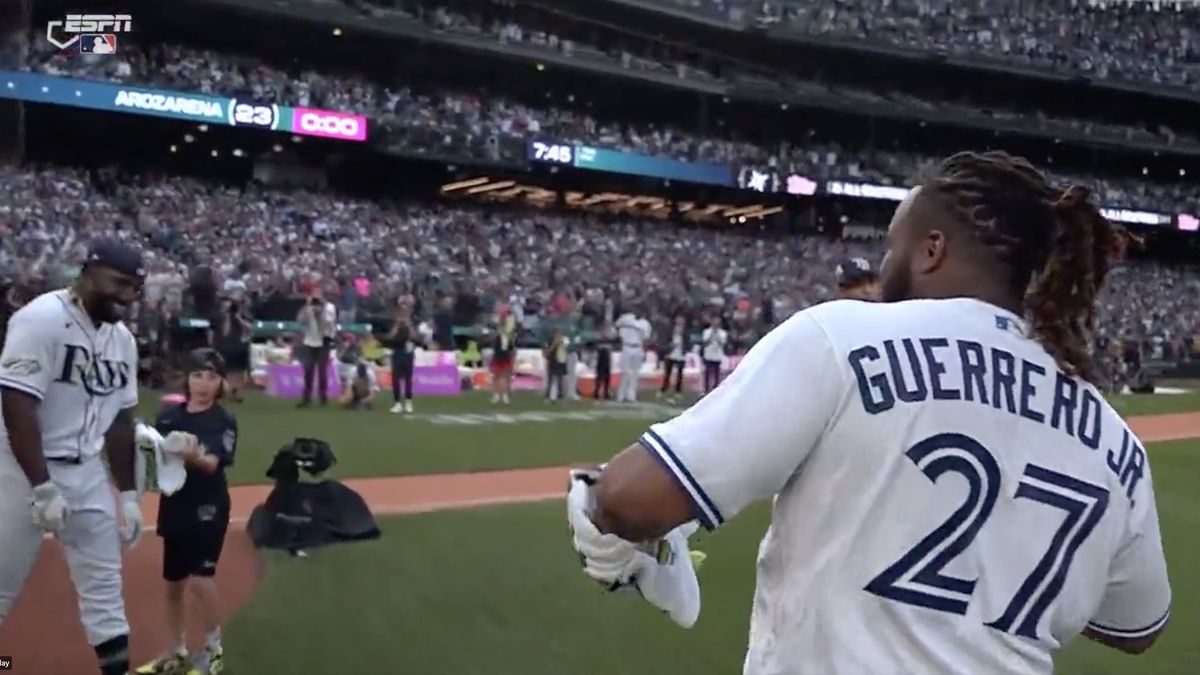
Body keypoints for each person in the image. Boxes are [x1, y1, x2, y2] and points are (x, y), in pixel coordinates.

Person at [567, 152, 1169, 673]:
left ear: (931, 249)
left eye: (891, 247)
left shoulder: (843, 337)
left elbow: (630, 498)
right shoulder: (1114, 440)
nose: (883, 269)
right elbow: (1138, 626)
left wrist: (605, 511)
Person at [0, 240, 145, 675]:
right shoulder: (41, 319)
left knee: (104, 587)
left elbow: (122, 420)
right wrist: (42, 487)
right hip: (18, 469)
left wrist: (132, 493)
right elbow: (17, 404)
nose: (127, 296)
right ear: (88, 272)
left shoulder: (122, 341)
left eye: (135, 288)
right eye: (119, 283)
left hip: (86, 472)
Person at [136, 348, 236, 675]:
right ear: (187, 378)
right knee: (174, 583)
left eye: (211, 376)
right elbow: (153, 460)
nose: (203, 383)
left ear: (220, 382)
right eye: (197, 375)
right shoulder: (169, 416)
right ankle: (175, 651)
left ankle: (213, 652)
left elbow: (211, 463)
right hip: (175, 505)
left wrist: (187, 452)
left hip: (208, 506)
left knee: (201, 579)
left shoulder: (222, 420)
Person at [296, 288, 336, 407]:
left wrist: (320, 313)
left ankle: (323, 398)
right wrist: (307, 307)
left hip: (324, 340)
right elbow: (300, 321)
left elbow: (326, 325)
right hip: (310, 340)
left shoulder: (329, 308)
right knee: (308, 370)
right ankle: (306, 399)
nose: (316, 301)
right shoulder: (309, 308)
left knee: (322, 371)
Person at [215, 297, 252, 402]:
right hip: (229, 347)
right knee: (230, 371)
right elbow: (225, 333)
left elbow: (249, 329)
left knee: (240, 372)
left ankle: (238, 392)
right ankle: (230, 391)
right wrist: (228, 318)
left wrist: (239, 318)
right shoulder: (221, 319)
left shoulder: (244, 316)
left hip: (241, 347)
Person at [385, 301, 418, 414]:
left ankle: (408, 401)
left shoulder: (412, 323)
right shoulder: (395, 323)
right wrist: (397, 325)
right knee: (396, 378)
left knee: (408, 378)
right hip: (397, 352)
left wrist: (409, 325)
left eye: (406, 311)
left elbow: (415, 337)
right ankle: (397, 402)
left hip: (408, 352)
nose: (404, 313)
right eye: (402, 311)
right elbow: (390, 336)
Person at [614, 307, 650, 403]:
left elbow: (646, 338)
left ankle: (631, 396)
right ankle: (621, 395)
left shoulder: (645, 323)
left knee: (635, 373)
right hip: (626, 346)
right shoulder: (626, 318)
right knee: (625, 372)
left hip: (638, 347)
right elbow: (617, 325)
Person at [658, 314, 688, 401]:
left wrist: (685, 349)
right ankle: (664, 389)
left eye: (681, 319)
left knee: (679, 374)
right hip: (670, 353)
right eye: (678, 319)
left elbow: (688, 342)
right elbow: (665, 339)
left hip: (681, 354)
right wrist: (668, 346)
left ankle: (677, 391)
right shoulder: (670, 330)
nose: (680, 321)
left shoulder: (685, 331)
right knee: (667, 373)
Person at [489, 318, 515, 405]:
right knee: (496, 377)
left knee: (504, 377)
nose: (501, 330)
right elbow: (494, 347)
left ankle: (504, 395)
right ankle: (496, 394)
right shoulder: (496, 338)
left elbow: (511, 349)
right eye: (499, 328)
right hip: (497, 358)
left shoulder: (508, 338)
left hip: (505, 358)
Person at [699, 314, 727, 394]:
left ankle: (715, 390)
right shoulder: (706, 331)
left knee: (716, 373)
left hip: (718, 355)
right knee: (707, 373)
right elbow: (705, 342)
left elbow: (723, 343)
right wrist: (712, 335)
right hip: (708, 354)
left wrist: (717, 335)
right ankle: (706, 389)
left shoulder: (723, 333)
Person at [544, 328, 569, 402]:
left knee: (560, 379)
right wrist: (553, 345)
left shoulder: (564, 341)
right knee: (551, 379)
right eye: (557, 334)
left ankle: (560, 395)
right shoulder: (549, 341)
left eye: (560, 334)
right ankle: (549, 395)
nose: (558, 336)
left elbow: (567, 350)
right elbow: (546, 353)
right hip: (552, 361)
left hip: (561, 362)